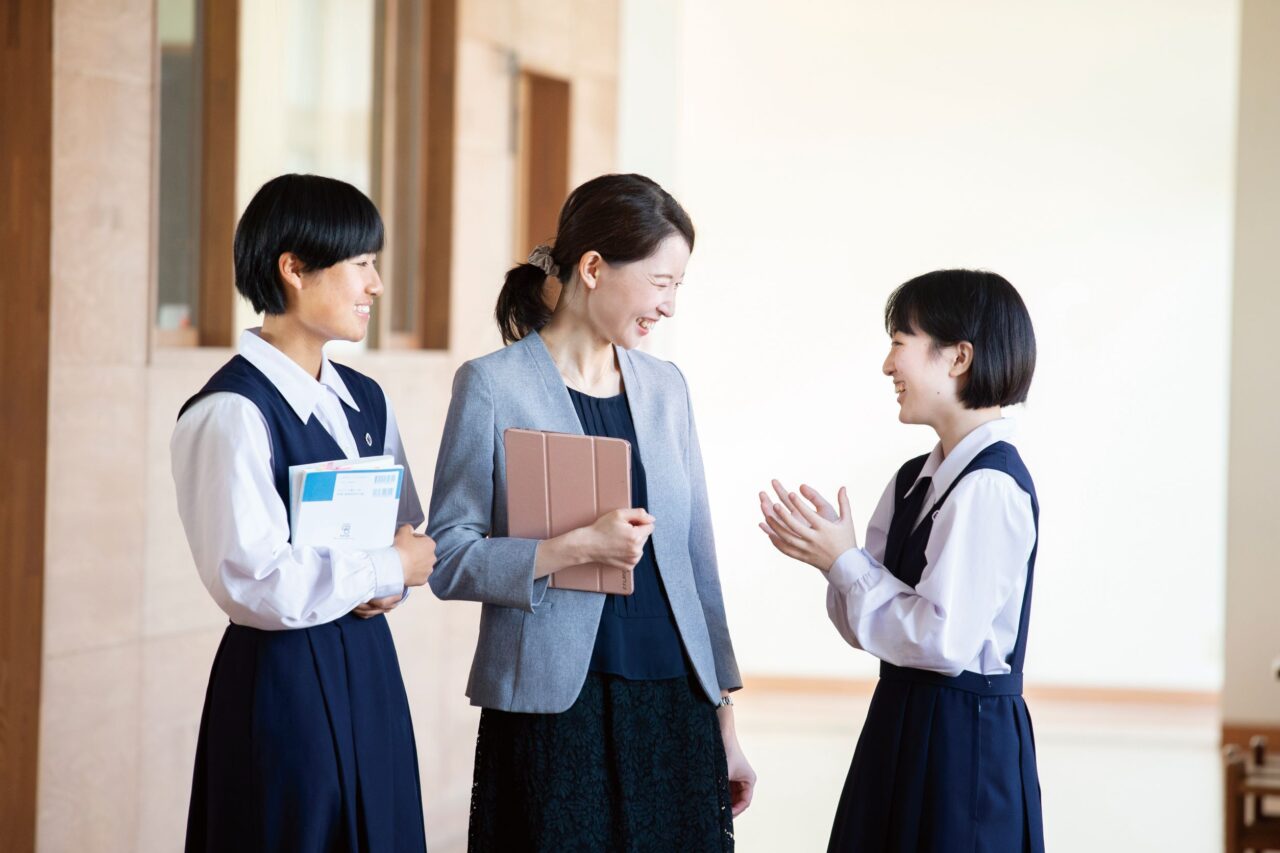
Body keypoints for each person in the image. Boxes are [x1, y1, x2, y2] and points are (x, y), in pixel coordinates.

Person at [428, 173, 755, 851]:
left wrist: (727, 723)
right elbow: (449, 557)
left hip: (675, 702)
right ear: (595, 267)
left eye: (678, 287)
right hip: (554, 711)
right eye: (662, 282)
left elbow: (698, 564)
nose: (669, 306)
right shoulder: (493, 385)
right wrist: (570, 549)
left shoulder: (667, 388)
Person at [172, 173, 436, 852]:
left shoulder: (366, 400)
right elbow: (253, 579)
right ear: (293, 268)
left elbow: (402, 531)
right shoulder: (229, 412)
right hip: (282, 685)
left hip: (369, 669)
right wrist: (386, 565)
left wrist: (391, 575)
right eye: (361, 265)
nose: (375, 285)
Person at [759, 269, 1043, 852]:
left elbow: (941, 641)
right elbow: (877, 631)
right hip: (900, 720)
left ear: (958, 357)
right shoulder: (914, 478)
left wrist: (846, 563)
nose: (889, 366)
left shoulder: (989, 487)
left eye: (900, 342)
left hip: (965, 744)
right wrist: (832, 560)